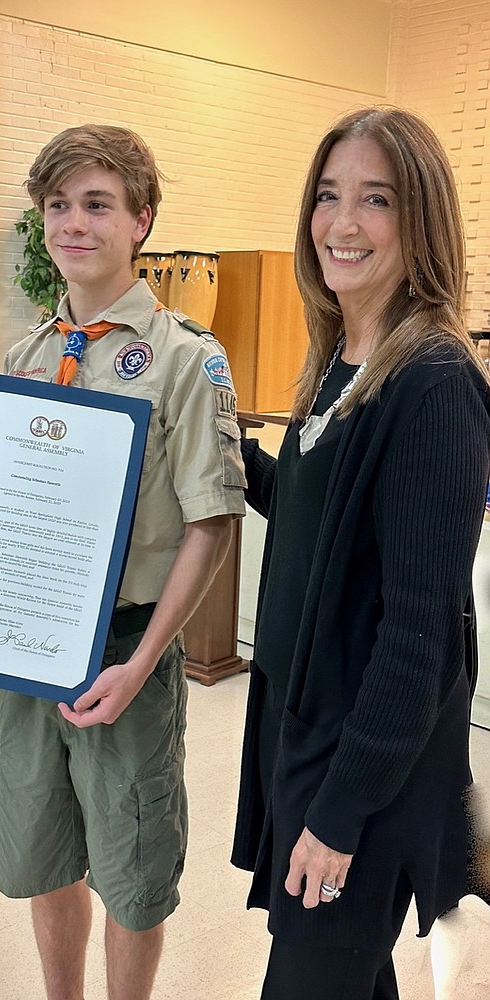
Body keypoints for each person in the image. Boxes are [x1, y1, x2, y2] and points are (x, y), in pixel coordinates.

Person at [0, 123, 246, 1000]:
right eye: (58, 206)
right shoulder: (26, 358)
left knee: (132, 861)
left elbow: (212, 523)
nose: (74, 223)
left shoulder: (189, 359)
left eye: (98, 204)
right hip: (28, 644)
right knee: (44, 847)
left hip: (126, 648)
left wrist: (143, 661)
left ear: (142, 219)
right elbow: (5, 513)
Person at [230, 106, 490, 1000]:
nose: (342, 224)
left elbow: (419, 637)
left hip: (365, 762)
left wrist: (340, 815)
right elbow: (319, 519)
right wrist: (229, 454)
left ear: (420, 221)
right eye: (328, 196)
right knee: (347, 977)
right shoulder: (340, 357)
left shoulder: (434, 387)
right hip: (306, 730)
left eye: (375, 199)